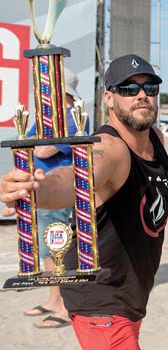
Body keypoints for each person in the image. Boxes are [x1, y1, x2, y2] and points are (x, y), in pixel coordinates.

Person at [1, 54, 168, 349]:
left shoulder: (156, 139)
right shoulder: (110, 148)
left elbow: (157, 178)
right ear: (109, 98)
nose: (141, 95)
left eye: (149, 88)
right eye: (128, 89)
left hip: (130, 298)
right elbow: (75, 178)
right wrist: (33, 189)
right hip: (100, 301)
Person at [23, 68, 88, 329]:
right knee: (46, 249)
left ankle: (64, 306)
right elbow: (25, 140)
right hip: (44, 190)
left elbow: (41, 148)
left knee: (57, 247)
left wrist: (34, 143)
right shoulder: (51, 117)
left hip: (59, 191)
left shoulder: (71, 117)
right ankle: (53, 299)